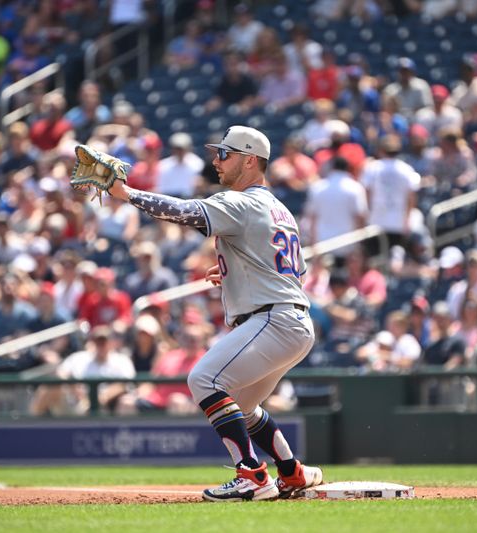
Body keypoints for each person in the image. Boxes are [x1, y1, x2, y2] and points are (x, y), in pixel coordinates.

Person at [105, 125, 322, 501]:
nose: (216, 161)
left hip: (272, 320)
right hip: (292, 321)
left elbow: (186, 211)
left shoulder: (243, 201)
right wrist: (235, 273)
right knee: (245, 406)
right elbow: (294, 271)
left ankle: (252, 475)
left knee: (203, 379)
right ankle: (292, 472)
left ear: (250, 160)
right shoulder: (281, 209)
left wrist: (126, 193)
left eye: (225, 154)